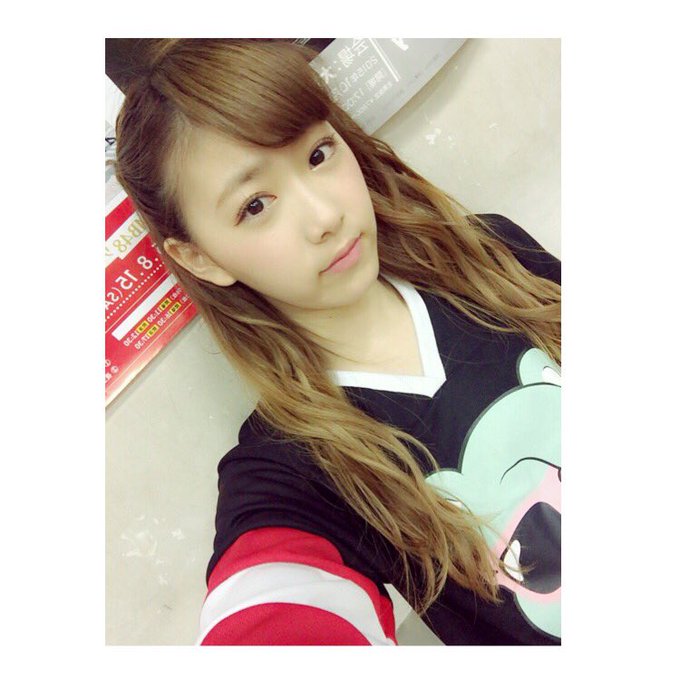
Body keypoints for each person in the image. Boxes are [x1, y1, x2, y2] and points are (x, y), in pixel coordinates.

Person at [114, 38, 561, 645]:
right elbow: (274, 610)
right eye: (255, 205)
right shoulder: (288, 471)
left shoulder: (490, 254)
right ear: (200, 257)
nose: (325, 215)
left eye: (319, 153)